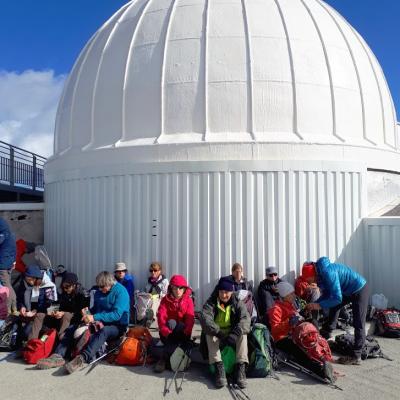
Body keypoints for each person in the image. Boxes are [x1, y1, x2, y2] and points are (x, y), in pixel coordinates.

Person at [304, 257, 368, 365]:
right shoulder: (320, 274)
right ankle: (326, 332)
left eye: (309, 280)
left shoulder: (328, 273)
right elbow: (328, 295)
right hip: (347, 291)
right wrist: (314, 304)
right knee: (334, 306)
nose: (309, 282)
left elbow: (337, 298)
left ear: (313, 274)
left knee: (359, 322)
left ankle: (356, 355)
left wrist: (318, 305)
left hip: (360, 289)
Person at [64, 271, 130, 373]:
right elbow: (96, 309)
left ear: (110, 283)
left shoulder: (121, 292)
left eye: (102, 287)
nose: (100, 289)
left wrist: (94, 317)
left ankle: (82, 358)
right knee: (73, 327)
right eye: (99, 287)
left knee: (104, 331)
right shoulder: (100, 291)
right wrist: (87, 312)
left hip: (118, 325)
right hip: (100, 321)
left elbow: (116, 315)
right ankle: (60, 354)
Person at [269, 282, 334, 381]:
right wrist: (288, 323)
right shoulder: (276, 309)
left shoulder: (290, 305)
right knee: (300, 352)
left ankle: (322, 358)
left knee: (312, 339)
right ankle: (320, 370)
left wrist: (303, 315)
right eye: (291, 294)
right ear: (285, 295)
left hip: (295, 334)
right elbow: (274, 329)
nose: (294, 295)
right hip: (282, 339)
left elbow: (296, 318)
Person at [199, 277, 250, 389]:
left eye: (226, 292)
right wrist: (218, 332)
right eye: (221, 292)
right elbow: (205, 319)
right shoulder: (211, 302)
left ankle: (241, 367)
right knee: (209, 334)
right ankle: (218, 367)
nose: (224, 295)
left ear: (231, 292)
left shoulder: (238, 302)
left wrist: (235, 333)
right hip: (217, 333)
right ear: (218, 291)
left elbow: (245, 319)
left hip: (232, 333)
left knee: (243, 334)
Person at [36, 272, 90, 369]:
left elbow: (85, 313)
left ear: (74, 285)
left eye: (67, 287)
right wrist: (54, 312)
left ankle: (58, 354)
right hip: (63, 318)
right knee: (41, 316)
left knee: (66, 316)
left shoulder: (82, 294)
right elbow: (56, 305)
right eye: (63, 287)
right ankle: (35, 347)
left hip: (75, 320)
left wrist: (64, 313)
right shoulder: (64, 293)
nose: (65, 289)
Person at [154, 274, 195, 373]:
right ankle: (168, 357)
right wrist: (166, 331)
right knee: (171, 322)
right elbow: (161, 317)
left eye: (181, 288)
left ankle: (164, 358)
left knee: (180, 325)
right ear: (171, 288)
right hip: (168, 333)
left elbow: (190, 318)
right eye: (175, 288)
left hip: (183, 332)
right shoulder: (165, 300)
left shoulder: (188, 300)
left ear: (185, 288)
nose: (178, 290)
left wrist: (187, 331)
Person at [16, 264, 58, 340]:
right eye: (27, 280)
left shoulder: (48, 286)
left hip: (45, 314)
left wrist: (35, 311)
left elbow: (51, 305)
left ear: (36, 278)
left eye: (29, 280)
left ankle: (32, 342)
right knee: (18, 322)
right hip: (31, 313)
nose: (28, 282)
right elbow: (21, 298)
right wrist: (22, 307)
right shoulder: (30, 284)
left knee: (27, 331)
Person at [0, 217, 17, 314]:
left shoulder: (2, 235)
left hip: (2, 265)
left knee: (6, 286)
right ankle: (13, 307)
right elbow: (15, 249)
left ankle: (9, 309)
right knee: (9, 285)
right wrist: (14, 261)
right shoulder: (11, 235)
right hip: (9, 264)